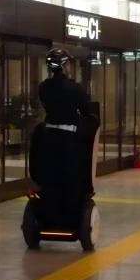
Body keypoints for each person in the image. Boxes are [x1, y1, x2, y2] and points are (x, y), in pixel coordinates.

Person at [34, 48, 94, 227]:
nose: (69, 67)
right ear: (63, 65)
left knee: (50, 176)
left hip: (48, 137)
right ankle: (70, 218)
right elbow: (86, 112)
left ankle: (48, 216)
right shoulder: (75, 88)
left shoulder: (43, 87)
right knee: (71, 176)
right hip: (68, 138)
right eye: (68, 63)